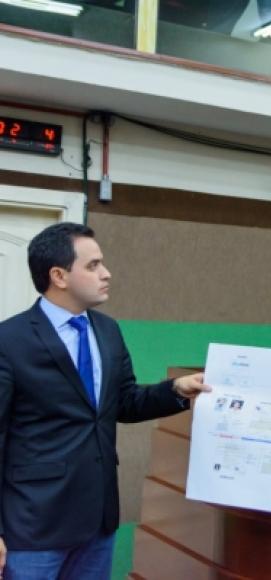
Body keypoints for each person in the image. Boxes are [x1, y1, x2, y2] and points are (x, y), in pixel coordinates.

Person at [0, 222, 211, 579]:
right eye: (93, 265)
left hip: (97, 523)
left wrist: (175, 389)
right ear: (58, 276)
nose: (107, 273)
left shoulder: (108, 330)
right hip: (32, 528)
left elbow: (124, 402)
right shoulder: (9, 340)